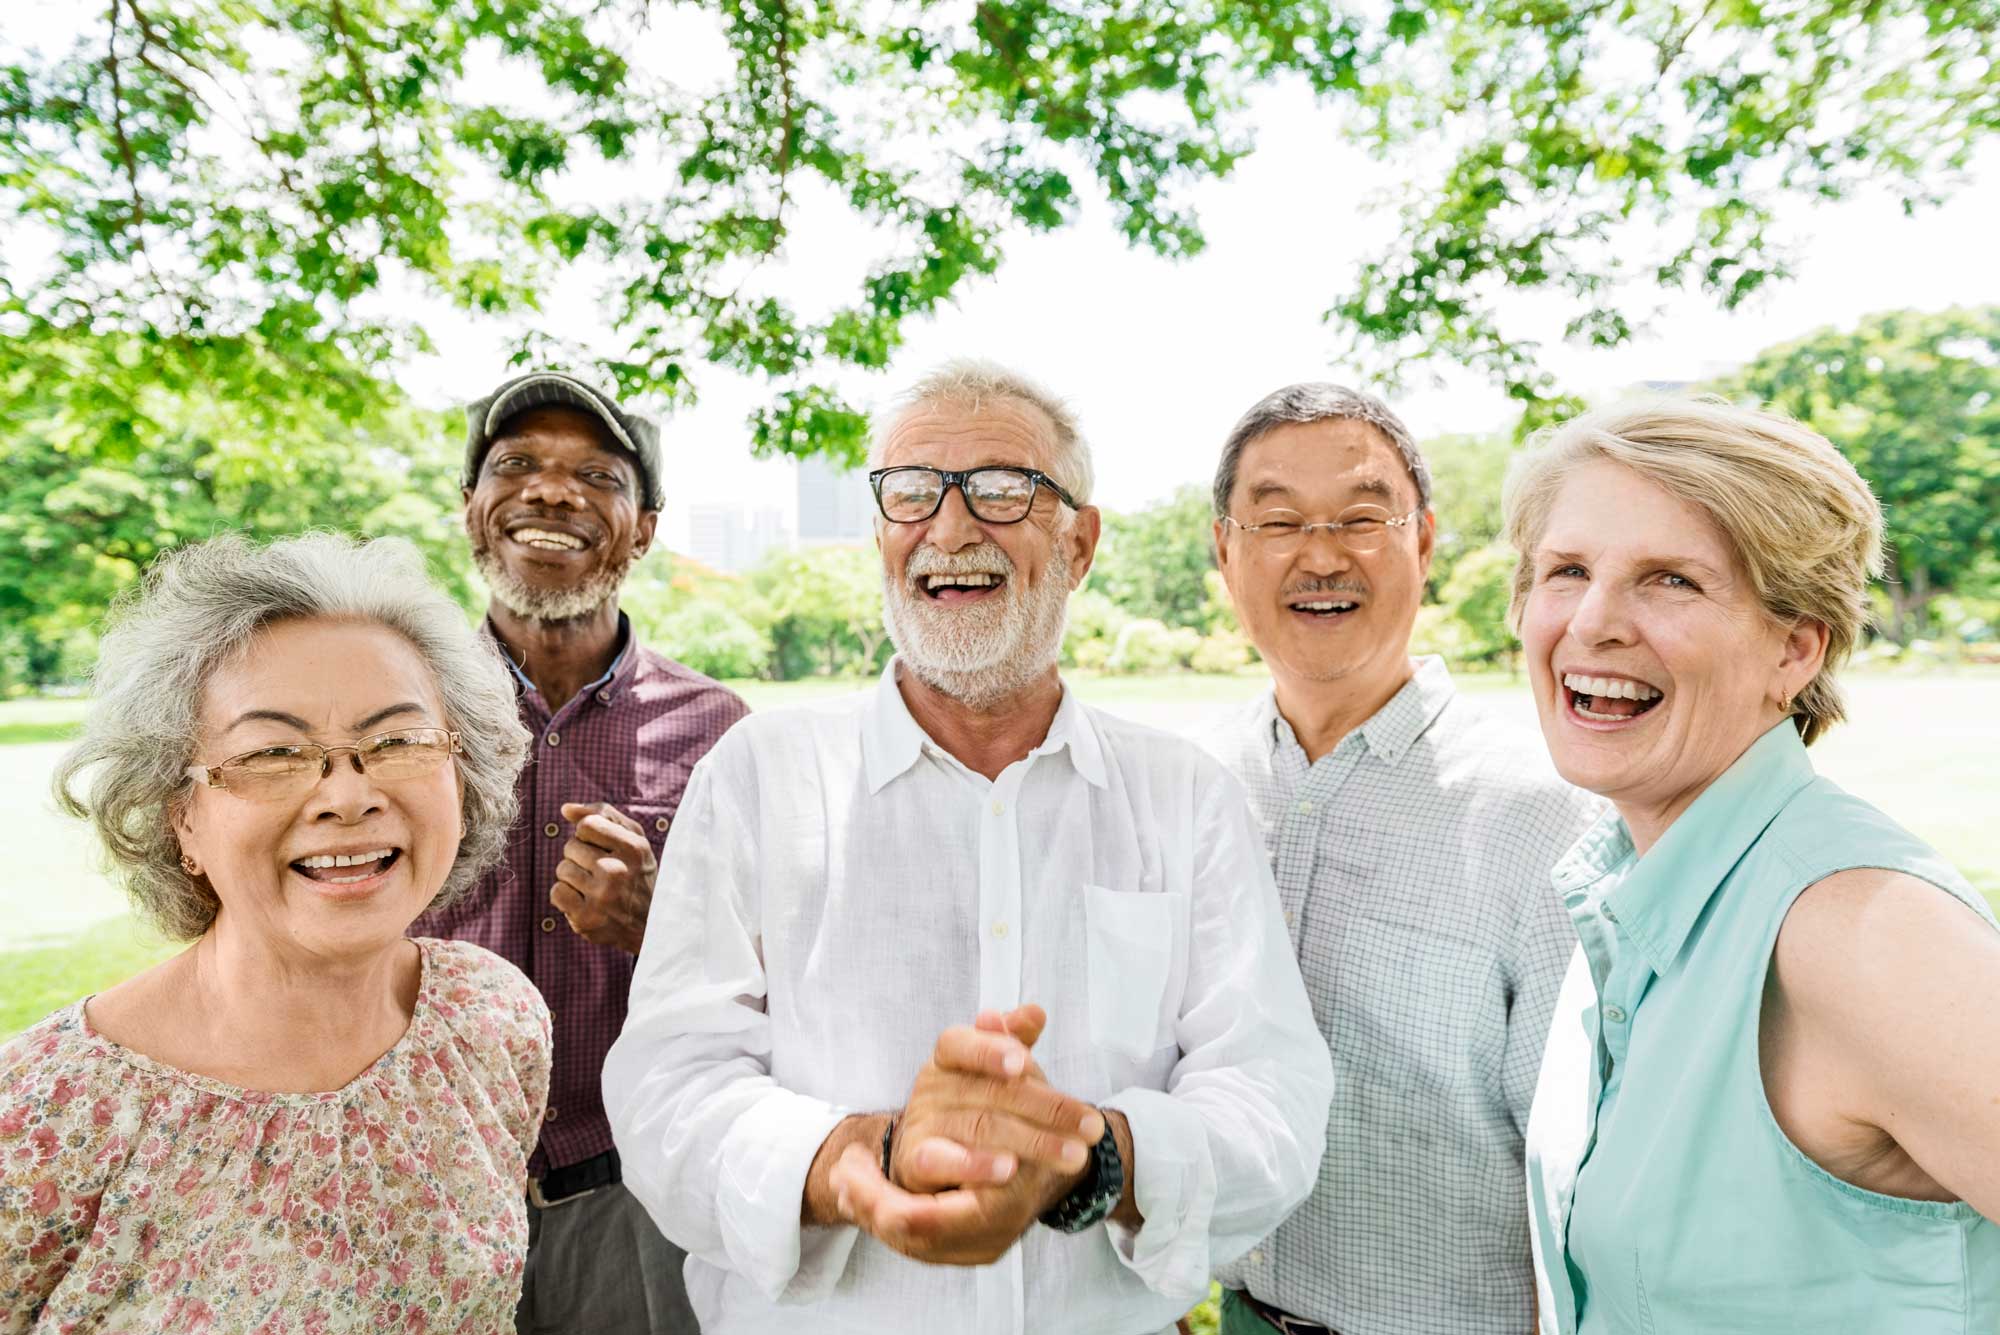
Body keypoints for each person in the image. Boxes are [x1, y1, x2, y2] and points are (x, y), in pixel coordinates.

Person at [603, 360, 1333, 1335]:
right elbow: (668, 1086)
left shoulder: (1182, 796)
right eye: (911, 492)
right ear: (878, 533)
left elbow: (1269, 1092)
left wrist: (1091, 1158)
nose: (949, 529)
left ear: (1078, 543)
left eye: (1001, 489)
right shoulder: (759, 776)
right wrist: (857, 1163)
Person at [1509, 400, 2000, 1332]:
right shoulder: (1625, 892)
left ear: (1795, 647)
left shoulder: (1857, 929)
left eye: (1672, 581)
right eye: (1566, 570)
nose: (1596, 621)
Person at [0, 533, 545, 1333]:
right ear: (179, 813)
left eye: (396, 740)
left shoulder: (491, 1017)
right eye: (274, 752)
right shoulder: (47, 1111)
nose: (346, 795)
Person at [1200, 383, 1602, 1335]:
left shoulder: (1540, 809)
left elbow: (1582, 1167)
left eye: (1361, 516)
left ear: (1423, 541)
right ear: (1225, 551)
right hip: (1242, 1312)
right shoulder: (1195, 788)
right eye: (1279, 520)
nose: (1321, 553)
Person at [414, 370, 749, 1335]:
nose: (551, 492)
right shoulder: (396, 709)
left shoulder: (721, 728)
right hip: (425, 1184)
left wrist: (660, 923)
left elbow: (782, 983)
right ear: (471, 509)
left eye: (596, 476)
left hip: (634, 1196)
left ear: (643, 526)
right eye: (515, 465)